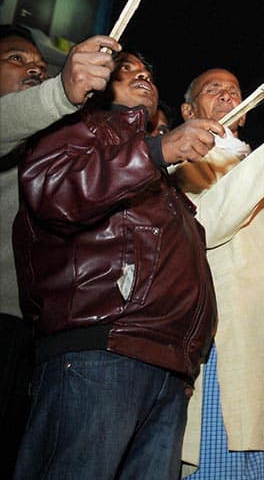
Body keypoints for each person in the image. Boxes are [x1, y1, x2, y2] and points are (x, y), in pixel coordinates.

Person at [13, 50, 222, 480]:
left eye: (148, 73)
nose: (143, 76)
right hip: (100, 350)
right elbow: (54, 195)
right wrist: (156, 151)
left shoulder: (155, 168)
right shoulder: (74, 127)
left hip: (167, 365)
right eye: (127, 71)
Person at [172, 68, 264, 478]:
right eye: (212, 89)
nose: (226, 93)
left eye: (235, 90)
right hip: (235, 349)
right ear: (189, 109)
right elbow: (203, 223)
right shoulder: (181, 160)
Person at [0, 24, 122, 477]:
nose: (33, 67)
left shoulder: (58, 141)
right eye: (16, 59)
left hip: (39, 336)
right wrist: (60, 93)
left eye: (38, 64)